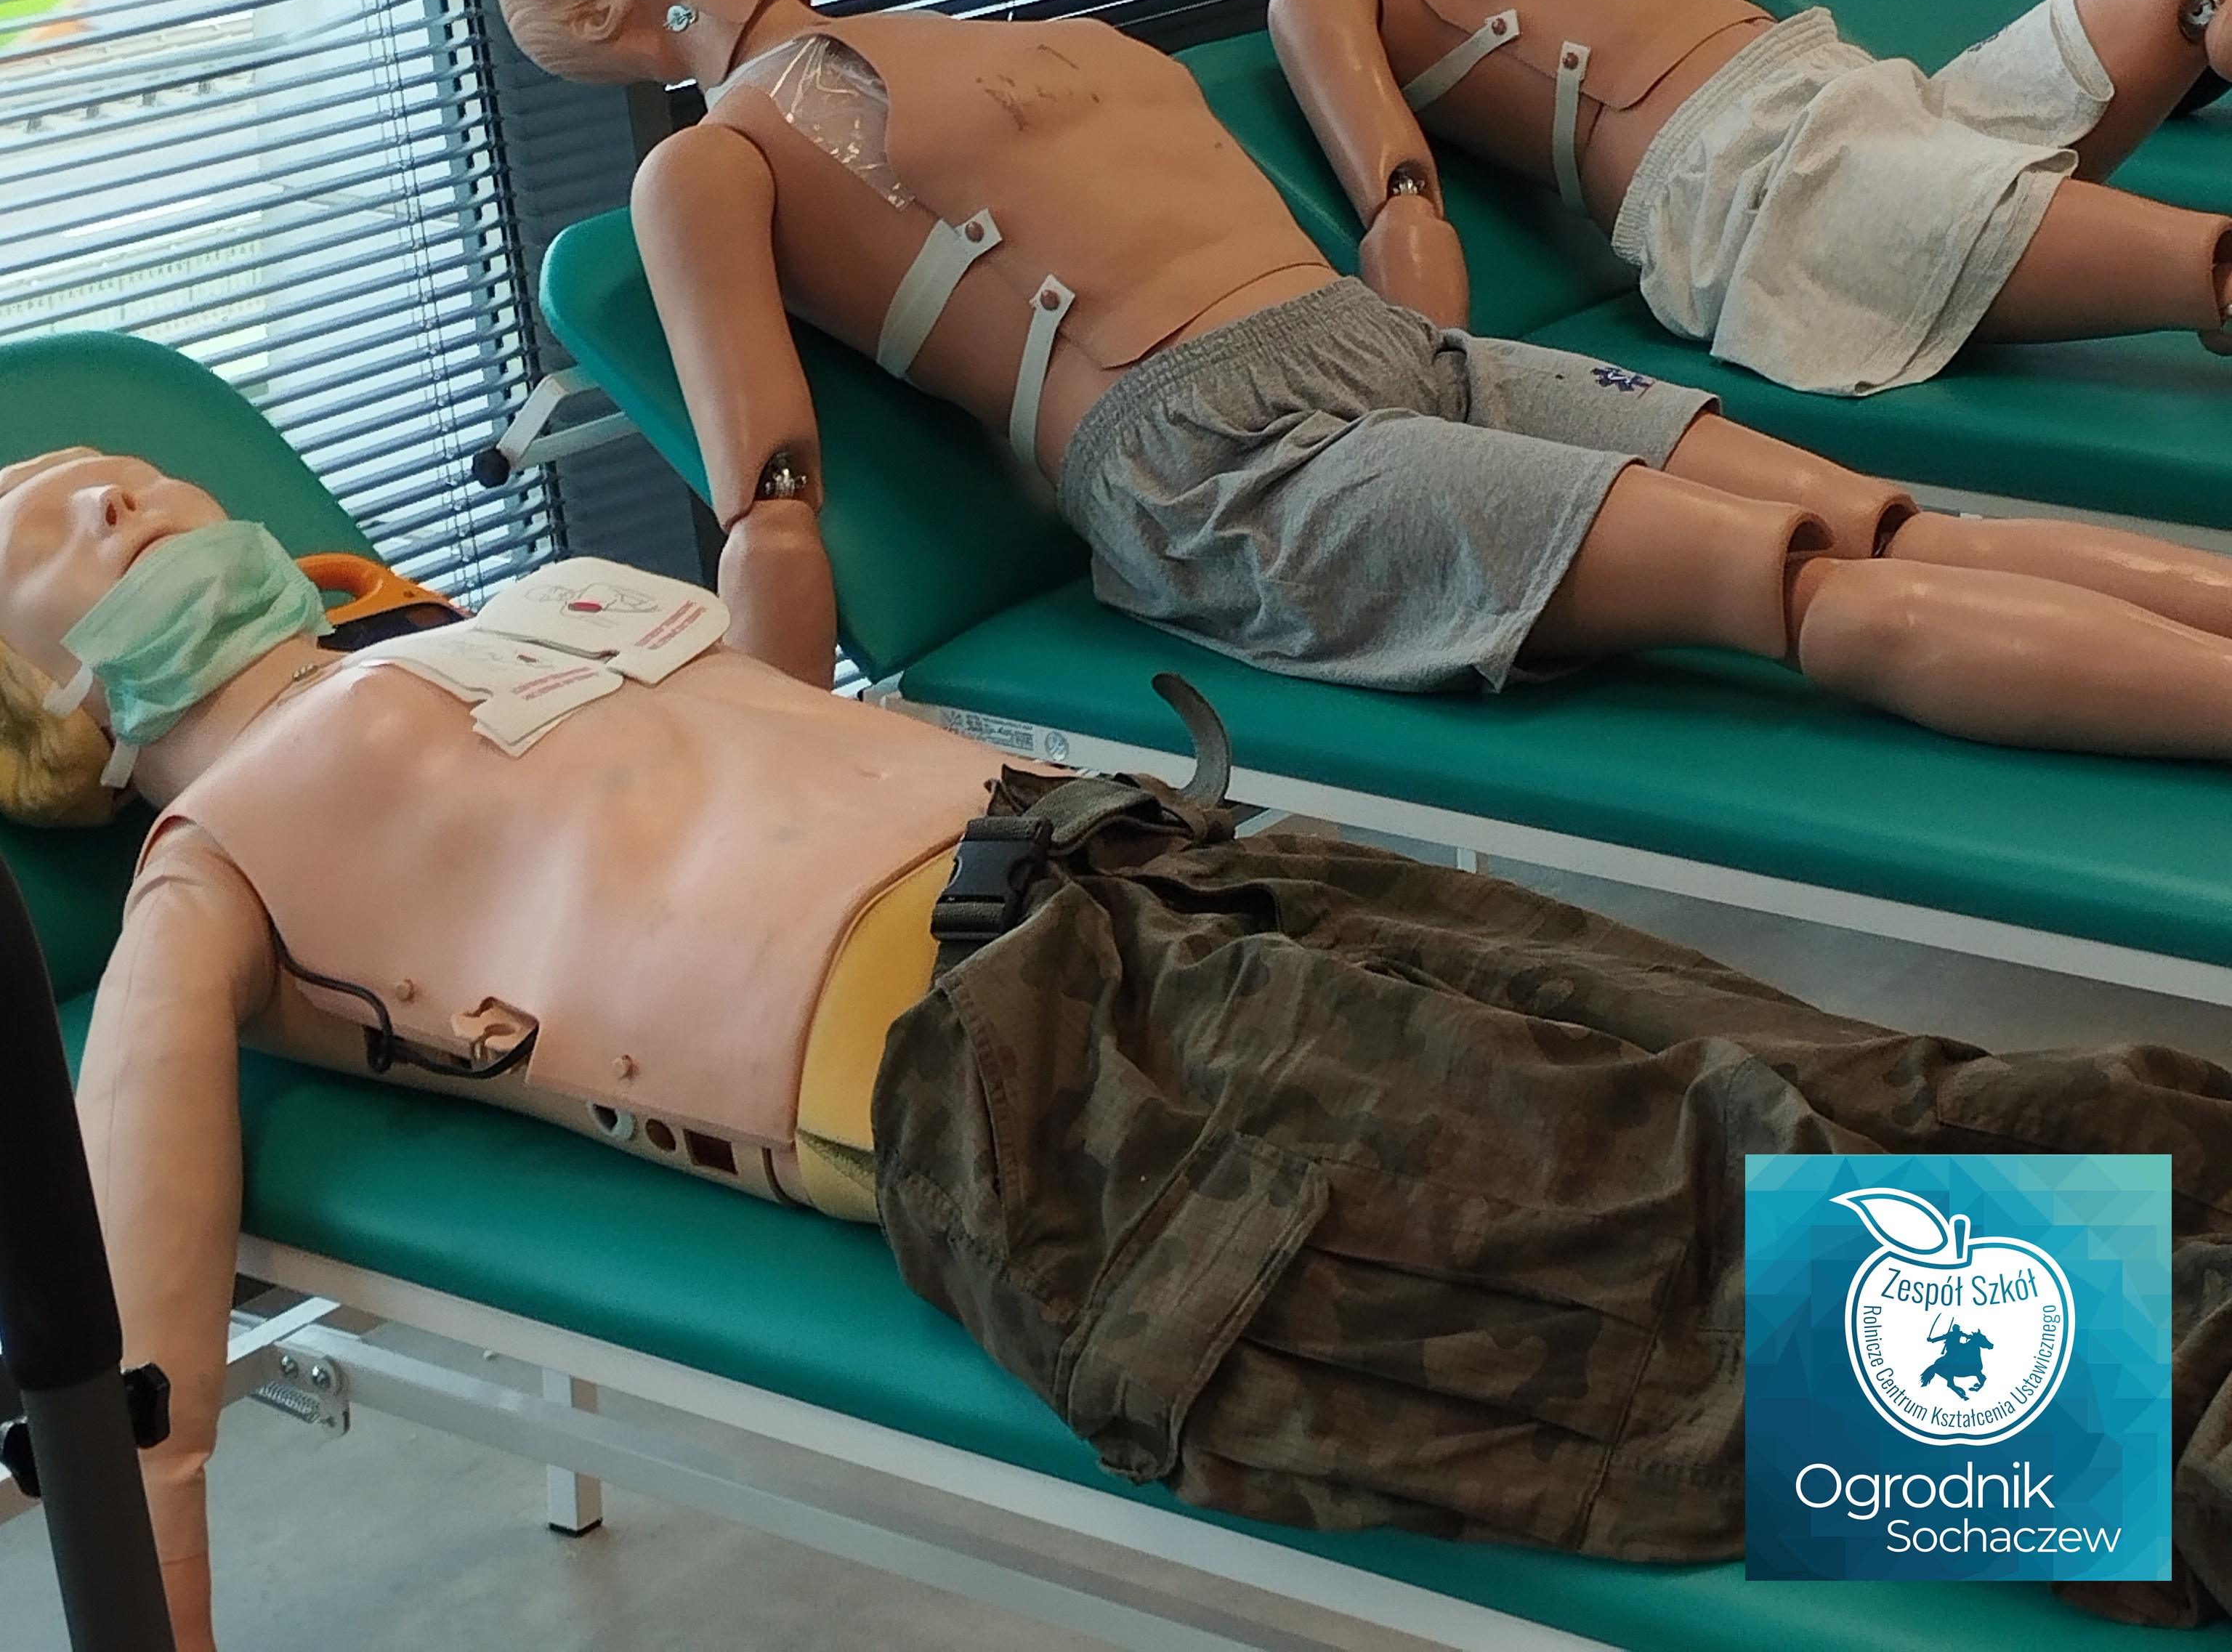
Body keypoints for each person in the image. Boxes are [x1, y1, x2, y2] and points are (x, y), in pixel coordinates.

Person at [10, 446, 2232, 1642]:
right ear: (38, 718)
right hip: (1057, 1081)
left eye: (113, 469)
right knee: (1753, 1283)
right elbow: (134, 1337)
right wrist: (154, 1543)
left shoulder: (527, 608)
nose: (101, 487)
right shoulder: (219, 857)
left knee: (1843, 1087)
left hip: (1175, 861)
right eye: (29, 523)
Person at [494, 0, 2232, 761]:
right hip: (1211, 460)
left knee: (1891, 521)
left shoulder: (1012, 35)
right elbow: (770, 502)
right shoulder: (712, 163)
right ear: (597, 13)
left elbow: (1387, 211)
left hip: (1396, 350)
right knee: (1793, 580)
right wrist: (775, 782)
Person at [1155, 0, 2232, 397]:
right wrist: (1431, 394)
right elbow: (1400, 191)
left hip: (1867, 102)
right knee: (2210, 262)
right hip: (1757, 192)